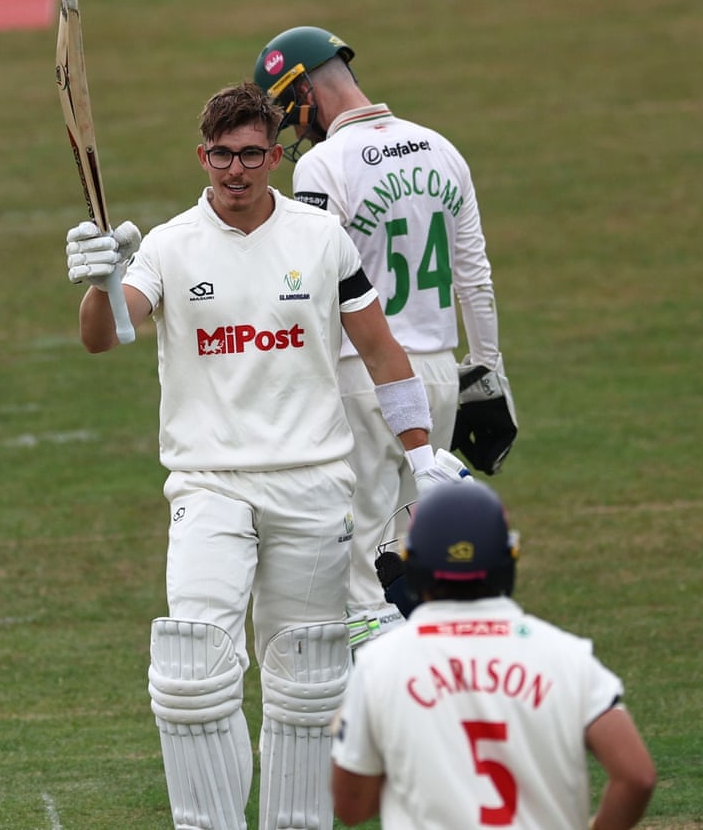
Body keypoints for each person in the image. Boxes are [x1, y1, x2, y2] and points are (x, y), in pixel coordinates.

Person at [66, 81, 462, 830]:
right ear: (202, 155)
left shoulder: (321, 239)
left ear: (277, 156)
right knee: (192, 667)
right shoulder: (169, 245)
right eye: (223, 155)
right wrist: (98, 282)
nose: (237, 171)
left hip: (313, 482)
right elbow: (105, 334)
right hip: (209, 482)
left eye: (252, 155)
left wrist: (424, 456)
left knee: (308, 673)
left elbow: (381, 351)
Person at [252, 27, 520, 654]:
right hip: (437, 377)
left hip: (363, 380)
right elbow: (473, 279)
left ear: (301, 92)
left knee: (364, 590)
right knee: (410, 555)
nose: (290, 131)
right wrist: (486, 372)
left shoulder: (324, 164)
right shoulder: (442, 149)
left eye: (285, 111)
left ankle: (393, 712)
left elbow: (315, 289)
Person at [330, 480, 657, 829]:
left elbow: (352, 807)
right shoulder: (566, 656)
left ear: (414, 566)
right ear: (507, 560)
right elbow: (637, 776)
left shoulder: (382, 665)